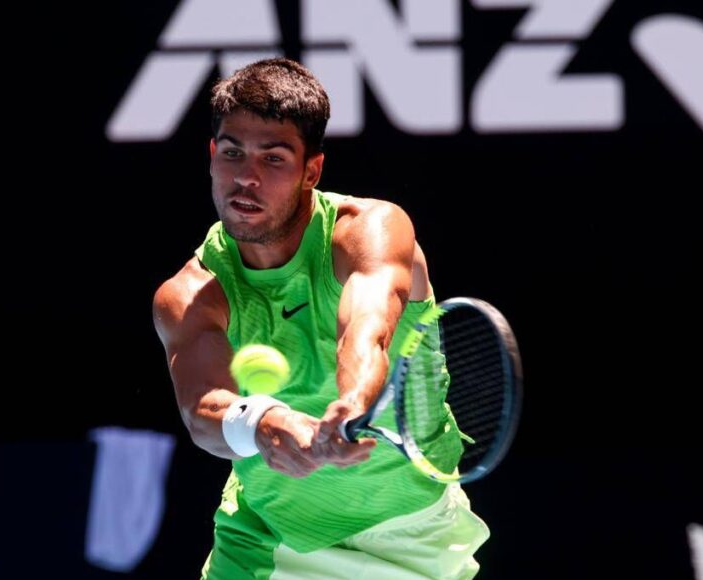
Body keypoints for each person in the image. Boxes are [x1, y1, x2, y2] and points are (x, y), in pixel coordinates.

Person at [152, 57, 489, 580]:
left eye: (274, 158)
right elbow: (202, 411)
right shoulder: (191, 292)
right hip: (268, 536)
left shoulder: (369, 230)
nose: (246, 178)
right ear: (212, 156)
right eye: (233, 153)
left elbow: (366, 330)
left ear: (312, 170)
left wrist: (351, 403)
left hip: (410, 533)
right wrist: (262, 424)